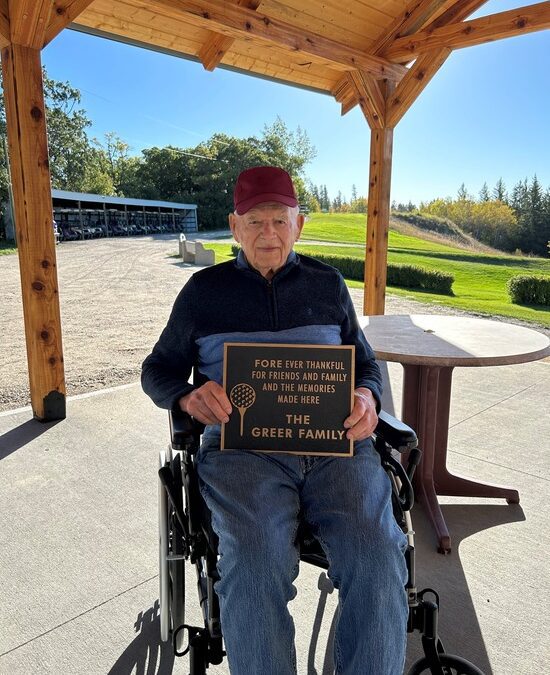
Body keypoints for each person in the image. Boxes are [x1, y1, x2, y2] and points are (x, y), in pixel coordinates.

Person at [141, 166, 408, 674]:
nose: (269, 233)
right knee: (256, 559)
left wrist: (369, 397)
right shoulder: (203, 292)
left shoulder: (328, 285)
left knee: (377, 555)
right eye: (256, 221)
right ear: (234, 226)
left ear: (299, 225)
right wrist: (187, 396)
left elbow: (366, 363)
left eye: (279, 221)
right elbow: (157, 370)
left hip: (336, 449)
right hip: (243, 452)